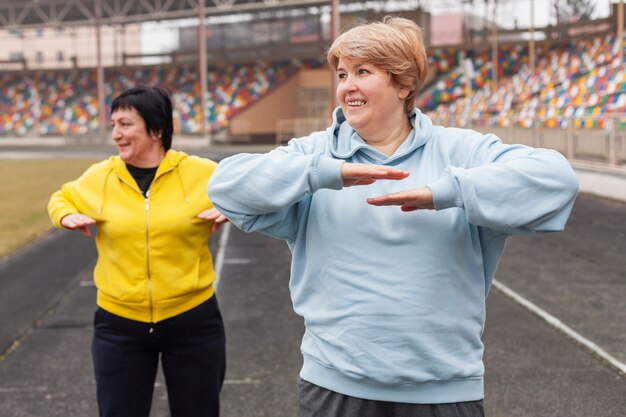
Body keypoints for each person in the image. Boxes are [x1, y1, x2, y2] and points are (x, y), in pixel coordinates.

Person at [206, 16, 579, 417]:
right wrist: (326, 173)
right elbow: (226, 185)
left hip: (443, 392)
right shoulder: (314, 154)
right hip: (334, 388)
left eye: (363, 72)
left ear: (403, 84)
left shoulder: (461, 151)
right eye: (342, 73)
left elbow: (557, 180)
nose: (347, 85)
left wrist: (447, 193)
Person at [48, 85, 229, 417]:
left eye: (125, 124)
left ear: (157, 129)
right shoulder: (101, 176)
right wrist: (64, 214)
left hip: (192, 321)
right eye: (114, 125)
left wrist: (235, 209)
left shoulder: (201, 172)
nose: (116, 134)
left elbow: (251, 191)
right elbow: (61, 197)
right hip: (119, 325)